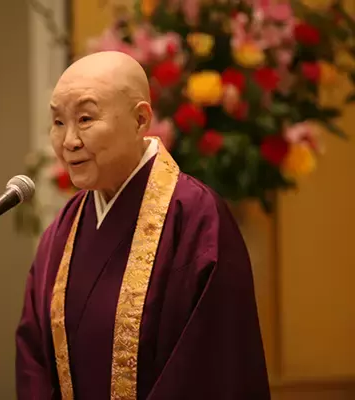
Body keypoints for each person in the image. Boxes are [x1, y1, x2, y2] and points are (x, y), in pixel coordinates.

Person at [15, 51, 270, 399]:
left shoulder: (195, 217)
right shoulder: (63, 230)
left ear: (140, 120)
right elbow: (34, 358)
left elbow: (210, 364)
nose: (69, 141)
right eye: (59, 122)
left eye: (85, 118)